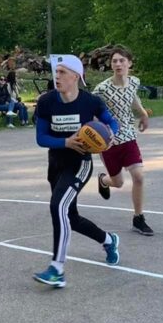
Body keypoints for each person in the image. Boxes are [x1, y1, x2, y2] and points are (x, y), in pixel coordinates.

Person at [33, 55, 120, 288]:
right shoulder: (46, 102)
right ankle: (108, 240)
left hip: (80, 164)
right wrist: (66, 142)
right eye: (56, 71)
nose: (57, 76)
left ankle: (57, 269)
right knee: (70, 217)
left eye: (62, 72)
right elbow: (41, 138)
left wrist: (111, 136)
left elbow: (112, 123)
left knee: (57, 206)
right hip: (56, 163)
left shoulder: (91, 102)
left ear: (75, 77)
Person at [93, 46, 154, 236]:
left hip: (128, 136)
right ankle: (104, 180)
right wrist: (96, 135)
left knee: (139, 176)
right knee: (118, 182)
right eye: (114, 61)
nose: (118, 64)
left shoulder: (134, 82)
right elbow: (92, 110)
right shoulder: (102, 89)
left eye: (121, 60)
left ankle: (138, 218)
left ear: (129, 63)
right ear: (111, 65)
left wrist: (143, 114)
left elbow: (132, 97)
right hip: (109, 141)